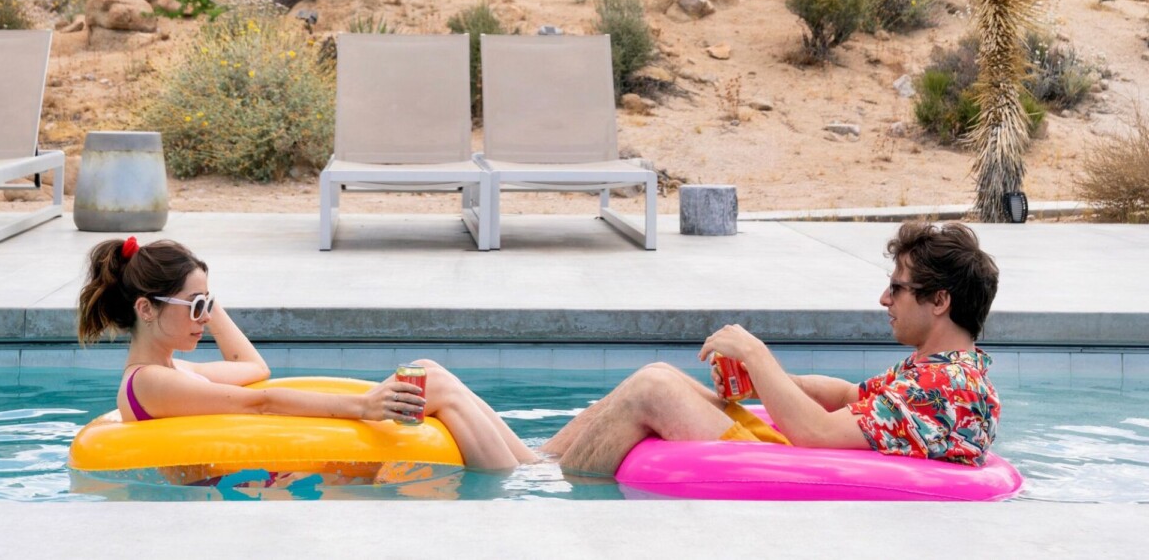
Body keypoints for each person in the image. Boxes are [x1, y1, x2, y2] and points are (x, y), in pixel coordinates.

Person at [543, 221, 1001, 476]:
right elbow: (847, 396)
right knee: (661, 377)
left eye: (897, 288)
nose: (885, 299)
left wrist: (756, 354)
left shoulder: (945, 386)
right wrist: (761, 381)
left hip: (795, 471)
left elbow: (817, 433)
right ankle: (539, 465)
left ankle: (548, 483)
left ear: (939, 301)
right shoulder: (938, 373)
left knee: (653, 389)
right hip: (804, 461)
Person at [77, 236, 535, 472]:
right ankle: (522, 477)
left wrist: (204, 300)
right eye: (195, 307)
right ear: (146, 309)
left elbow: (253, 369)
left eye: (207, 305)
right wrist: (364, 407)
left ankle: (532, 462)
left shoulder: (174, 370)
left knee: (427, 370)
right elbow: (261, 401)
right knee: (434, 385)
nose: (204, 317)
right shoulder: (150, 382)